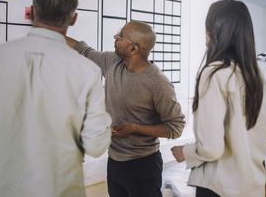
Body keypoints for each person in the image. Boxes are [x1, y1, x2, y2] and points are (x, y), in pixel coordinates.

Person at [0, 0, 112, 197]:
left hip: (3, 189)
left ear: (32, 13)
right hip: (61, 190)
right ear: (73, 19)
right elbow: (96, 145)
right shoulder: (86, 70)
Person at [65, 20, 185, 197]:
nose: (115, 37)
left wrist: (134, 128)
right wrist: (50, 31)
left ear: (134, 49)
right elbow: (83, 50)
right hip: (115, 161)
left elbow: (175, 128)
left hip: (144, 166)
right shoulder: (113, 63)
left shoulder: (158, 82)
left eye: (120, 36)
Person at [171, 0, 266, 197]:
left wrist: (185, 152)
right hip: (254, 188)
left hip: (220, 189)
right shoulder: (257, 77)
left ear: (213, 32)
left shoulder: (215, 73)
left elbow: (211, 148)